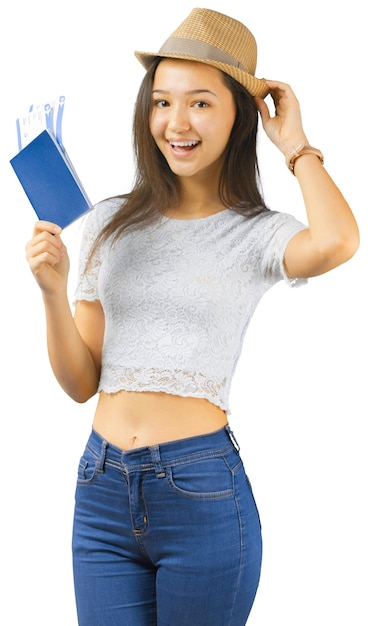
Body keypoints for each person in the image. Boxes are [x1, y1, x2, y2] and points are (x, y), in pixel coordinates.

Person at [25, 8, 359, 626]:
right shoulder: (108, 222)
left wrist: (296, 145)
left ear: (239, 115)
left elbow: (339, 241)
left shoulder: (256, 234)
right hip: (99, 490)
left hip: (200, 495)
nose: (175, 123)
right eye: (161, 102)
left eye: (201, 103)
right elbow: (80, 384)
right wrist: (52, 290)